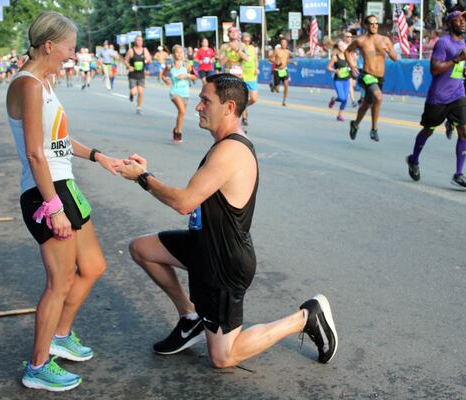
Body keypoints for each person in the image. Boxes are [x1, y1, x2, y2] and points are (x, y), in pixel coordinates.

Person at [115, 73, 338, 369]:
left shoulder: (231, 150)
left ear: (229, 107)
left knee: (223, 357)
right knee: (142, 249)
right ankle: (190, 317)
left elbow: (184, 202)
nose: (198, 107)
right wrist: (147, 176)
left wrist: (143, 178)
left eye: (206, 100)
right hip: (202, 245)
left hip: (224, 262)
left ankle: (305, 317)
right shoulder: (223, 145)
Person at [6, 11, 121, 391]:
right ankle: (38, 365)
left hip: (63, 184)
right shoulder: (29, 84)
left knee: (92, 266)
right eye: (70, 47)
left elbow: (59, 141)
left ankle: (60, 334)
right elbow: (37, 154)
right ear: (50, 45)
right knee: (59, 282)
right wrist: (53, 207)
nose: (74, 53)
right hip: (46, 191)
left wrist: (98, 155)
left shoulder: (44, 80)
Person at [406, 10, 466, 190]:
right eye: (458, 20)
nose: (462, 23)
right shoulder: (443, 43)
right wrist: (457, 59)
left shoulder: (462, 42)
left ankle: (459, 174)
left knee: (465, 131)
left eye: (464, 20)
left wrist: (463, 70)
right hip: (439, 96)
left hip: (457, 93)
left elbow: (456, 67)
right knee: (428, 130)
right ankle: (413, 160)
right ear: (450, 23)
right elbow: (435, 70)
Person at [346, 15, 398, 142]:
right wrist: (352, 65)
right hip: (367, 75)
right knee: (378, 97)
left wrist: (389, 52)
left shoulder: (385, 40)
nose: (374, 25)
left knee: (366, 104)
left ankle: (355, 124)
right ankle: (374, 129)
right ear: (365, 25)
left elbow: (395, 58)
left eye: (376, 23)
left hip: (379, 78)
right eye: (371, 23)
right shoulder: (361, 41)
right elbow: (347, 52)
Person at [163, 45, 197, 142]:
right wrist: (166, 80)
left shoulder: (186, 65)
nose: (179, 54)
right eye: (177, 52)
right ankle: (179, 133)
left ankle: (176, 128)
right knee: (182, 111)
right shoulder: (170, 66)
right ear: (173, 54)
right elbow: (163, 76)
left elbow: (195, 77)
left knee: (181, 114)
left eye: (181, 52)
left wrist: (186, 75)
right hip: (175, 92)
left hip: (185, 92)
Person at [124, 36, 152, 115]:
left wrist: (149, 60)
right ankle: (131, 94)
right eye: (138, 40)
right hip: (132, 75)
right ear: (135, 42)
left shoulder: (144, 50)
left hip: (141, 75)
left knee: (141, 92)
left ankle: (138, 108)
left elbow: (149, 59)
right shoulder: (131, 51)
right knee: (134, 92)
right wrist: (129, 66)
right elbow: (125, 60)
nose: (140, 42)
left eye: (141, 40)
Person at [327, 41, 351, 122]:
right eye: (341, 46)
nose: (344, 47)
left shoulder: (348, 56)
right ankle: (334, 99)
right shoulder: (335, 57)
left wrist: (353, 69)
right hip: (338, 80)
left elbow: (353, 64)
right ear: (339, 48)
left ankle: (339, 115)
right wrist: (335, 70)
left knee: (345, 99)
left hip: (346, 80)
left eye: (344, 45)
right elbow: (328, 67)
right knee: (341, 97)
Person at [271, 38, 297, 106]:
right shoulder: (277, 51)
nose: (284, 44)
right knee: (277, 90)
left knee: (286, 85)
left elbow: (286, 61)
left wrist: (292, 63)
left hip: (284, 70)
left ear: (286, 44)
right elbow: (270, 59)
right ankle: (273, 86)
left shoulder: (287, 52)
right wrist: (276, 62)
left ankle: (284, 101)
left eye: (285, 43)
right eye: (283, 43)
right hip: (277, 71)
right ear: (281, 44)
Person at [240, 32, 259, 127]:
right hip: (242, 76)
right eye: (244, 41)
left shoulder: (252, 48)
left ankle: (243, 106)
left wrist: (256, 68)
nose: (246, 43)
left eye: (248, 41)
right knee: (243, 97)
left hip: (252, 77)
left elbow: (255, 59)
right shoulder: (239, 48)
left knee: (254, 99)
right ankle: (244, 118)